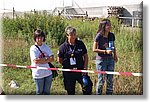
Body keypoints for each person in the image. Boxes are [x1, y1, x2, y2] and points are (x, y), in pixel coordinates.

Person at [57, 26, 91, 95]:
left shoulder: (80, 44)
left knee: (87, 86)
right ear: (67, 35)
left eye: (74, 34)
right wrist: (66, 66)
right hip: (69, 72)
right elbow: (59, 59)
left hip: (80, 70)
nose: (73, 36)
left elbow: (86, 56)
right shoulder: (62, 47)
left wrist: (85, 68)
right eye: (71, 35)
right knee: (70, 91)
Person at [93, 18, 118, 95]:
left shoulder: (111, 35)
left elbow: (113, 46)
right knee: (101, 80)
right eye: (108, 25)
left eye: (110, 25)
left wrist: (115, 56)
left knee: (110, 80)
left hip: (110, 59)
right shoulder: (99, 36)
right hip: (101, 60)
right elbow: (94, 49)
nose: (109, 26)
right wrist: (105, 51)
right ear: (103, 26)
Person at [30, 29, 54, 95]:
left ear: (43, 38)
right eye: (38, 37)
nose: (40, 39)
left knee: (47, 92)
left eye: (41, 37)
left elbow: (52, 59)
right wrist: (47, 59)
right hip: (38, 74)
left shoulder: (46, 47)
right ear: (35, 38)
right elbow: (36, 61)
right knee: (39, 92)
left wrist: (42, 60)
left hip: (48, 73)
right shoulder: (33, 48)